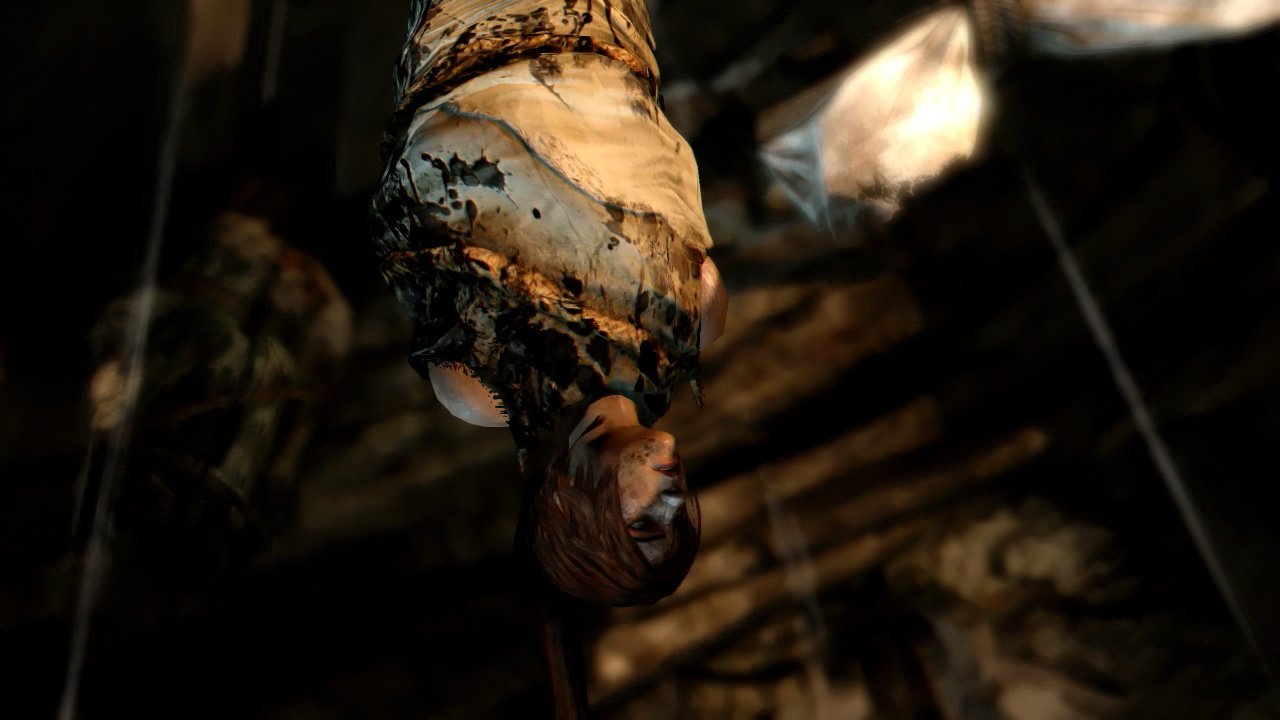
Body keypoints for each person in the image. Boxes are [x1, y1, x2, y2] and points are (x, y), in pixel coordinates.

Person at [369, 0, 727, 616]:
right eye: (678, 520)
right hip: (604, 24)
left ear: (573, 511)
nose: (672, 501)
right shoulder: (697, 324)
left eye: (645, 521)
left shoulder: (479, 388)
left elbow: (416, 221)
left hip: (470, 34)